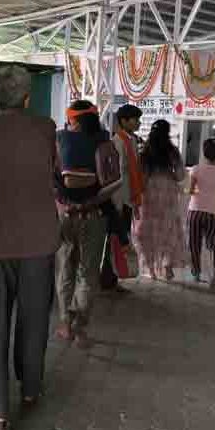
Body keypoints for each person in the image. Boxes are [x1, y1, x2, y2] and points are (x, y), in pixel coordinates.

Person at [0, 64, 59, 430]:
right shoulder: (46, 129)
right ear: (26, 97)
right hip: (39, 241)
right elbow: (55, 172)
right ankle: (31, 390)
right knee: (34, 319)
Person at [54, 103, 121, 350]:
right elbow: (114, 182)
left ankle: (64, 323)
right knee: (87, 272)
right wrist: (91, 201)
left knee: (65, 267)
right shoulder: (106, 143)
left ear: (75, 120)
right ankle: (81, 327)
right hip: (94, 215)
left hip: (66, 215)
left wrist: (63, 203)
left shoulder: (60, 141)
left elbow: (50, 178)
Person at [134, 119, 188, 281]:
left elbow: (140, 175)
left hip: (149, 192)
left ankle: (150, 268)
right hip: (168, 192)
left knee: (147, 231)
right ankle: (167, 264)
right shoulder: (173, 151)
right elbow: (181, 175)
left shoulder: (144, 152)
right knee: (168, 228)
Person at [100, 104, 145, 294]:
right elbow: (116, 176)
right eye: (134, 119)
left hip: (127, 197)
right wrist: (117, 203)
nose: (138, 122)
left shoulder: (131, 140)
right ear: (123, 121)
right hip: (120, 199)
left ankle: (111, 278)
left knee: (120, 239)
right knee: (116, 240)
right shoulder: (118, 142)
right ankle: (108, 280)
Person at [188, 138, 215, 287]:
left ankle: (196, 273)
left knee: (194, 243)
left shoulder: (196, 169)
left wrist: (194, 190)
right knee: (213, 243)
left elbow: (191, 190)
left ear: (204, 153)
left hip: (196, 211)